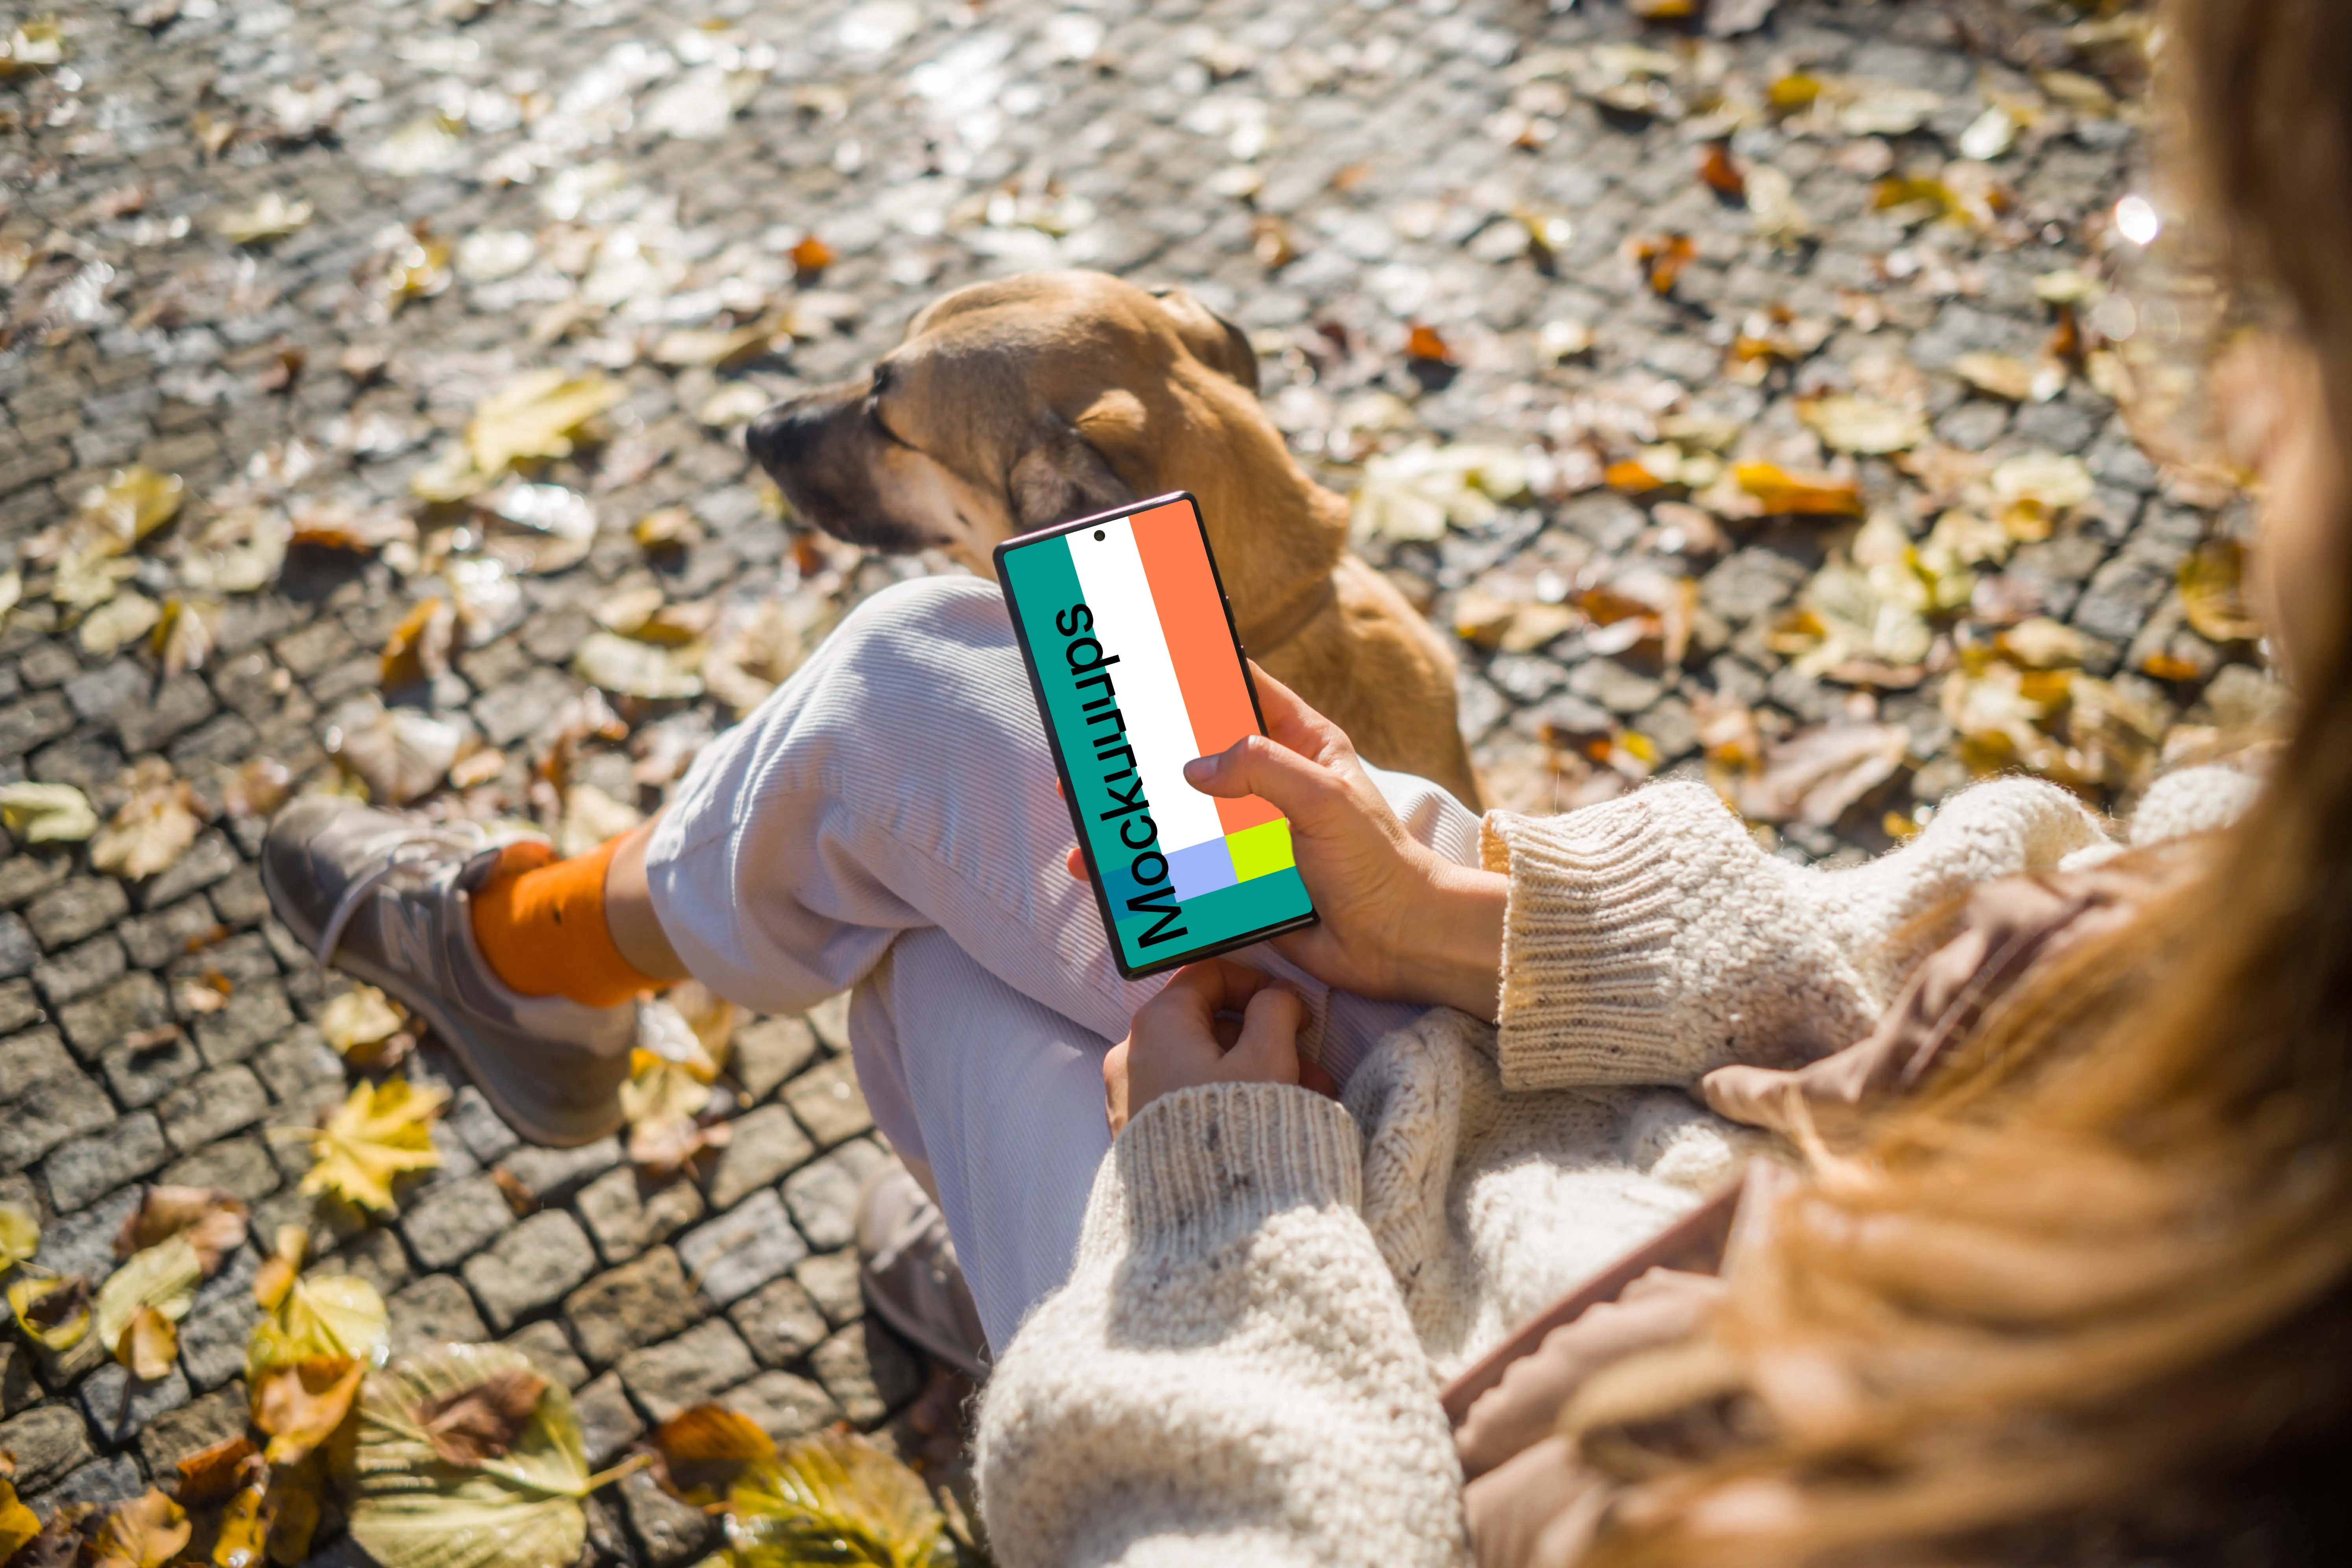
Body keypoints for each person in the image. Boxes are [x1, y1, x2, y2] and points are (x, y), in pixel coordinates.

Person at [259, 3, 2350, 1564]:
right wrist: (1478, 921)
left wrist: (1217, 1198)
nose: (2232, 409)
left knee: (926, 874)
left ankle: (555, 962)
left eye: (2267, 315)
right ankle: (570, 973)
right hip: (1604, 1093)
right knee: (938, 731)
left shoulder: (2010, 1482)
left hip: (1390, 1325)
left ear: (1077, 484)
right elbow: (1964, 941)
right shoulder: (2284, 891)